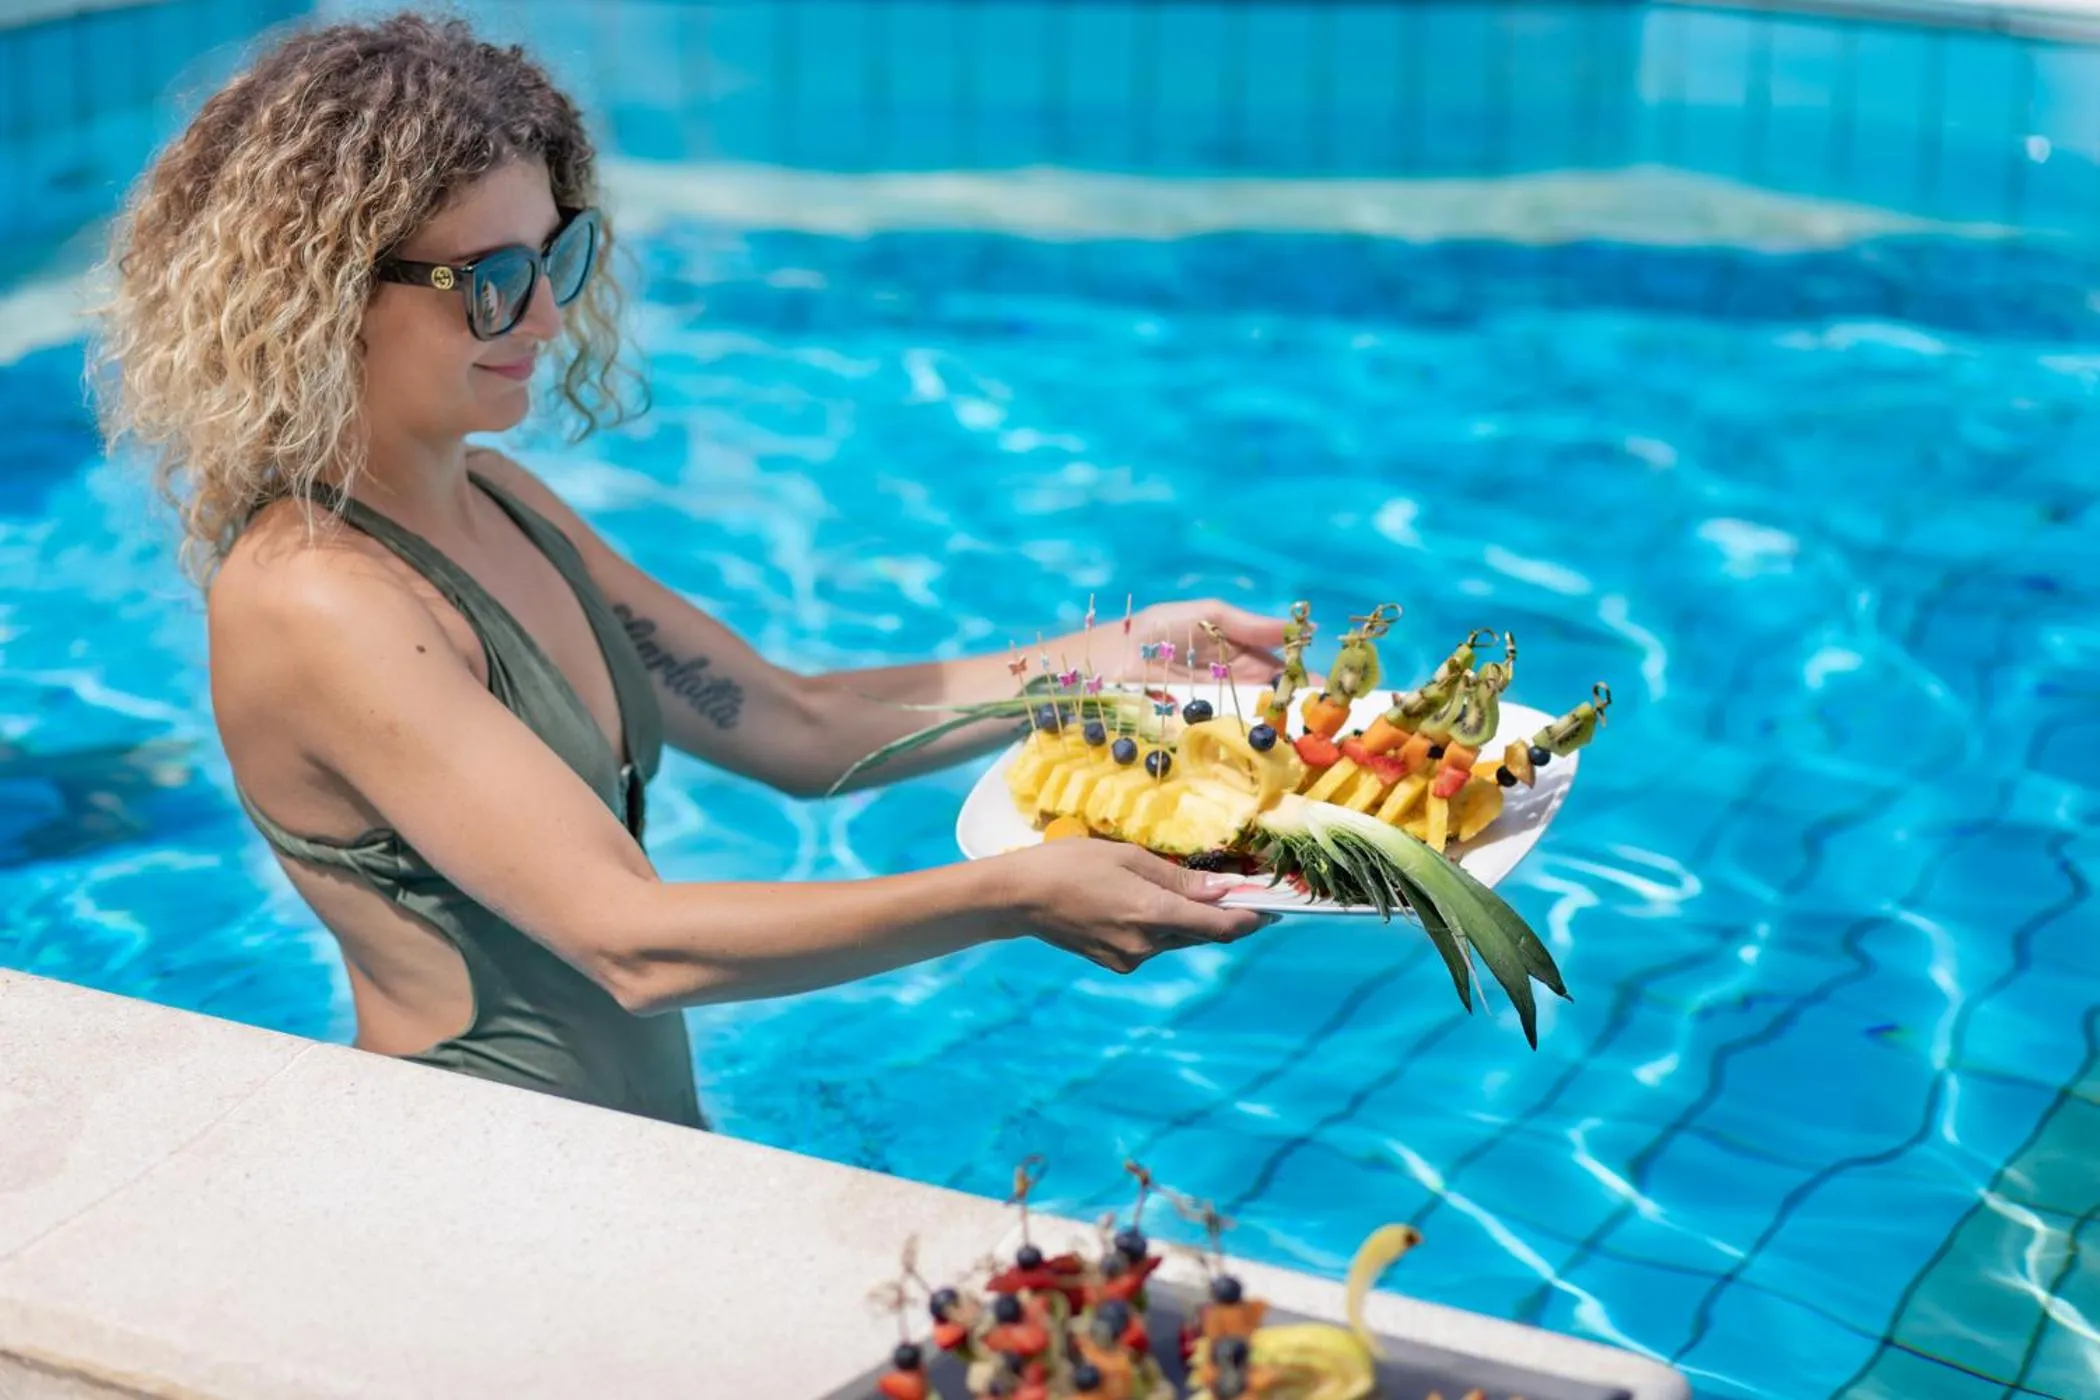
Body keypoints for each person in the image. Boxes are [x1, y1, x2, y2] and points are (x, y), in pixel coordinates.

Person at [88, 12, 1289, 1130]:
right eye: (491, 283)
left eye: (558, 262)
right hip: (472, 1160)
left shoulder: (494, 497)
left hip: (620, 1146)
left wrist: (1116, 659)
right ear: (325, 293)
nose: (549, 323)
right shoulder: (320, 596)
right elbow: (633, 941)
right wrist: (1018, 892)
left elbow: (800, 725)